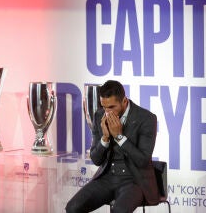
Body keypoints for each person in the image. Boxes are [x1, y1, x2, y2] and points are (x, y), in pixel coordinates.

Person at [65, 80, 159, 213]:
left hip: (134, 181)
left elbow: (142, 160)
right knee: (72, 208)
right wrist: (105, 138)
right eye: (104, 107)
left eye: (112, 107)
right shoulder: (99, 116)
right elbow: (96, 160)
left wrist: (119, 137)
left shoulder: (146, 118)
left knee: (119, 211)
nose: (107, 112)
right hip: (106, 178)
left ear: (124, 101)